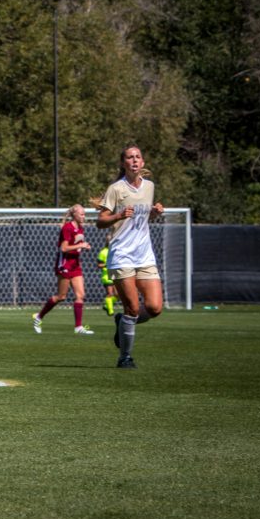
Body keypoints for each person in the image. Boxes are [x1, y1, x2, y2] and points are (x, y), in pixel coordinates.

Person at [96, 143, 165, 369]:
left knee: (154, 308)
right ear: (122, 163)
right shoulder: (116, 189)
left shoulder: (149, 187)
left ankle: (121, 322)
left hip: (144, 255)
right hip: (122, 255)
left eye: (137, 157)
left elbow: (145, 220)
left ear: (142, 162)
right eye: (129, 157)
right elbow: (100, 221)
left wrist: (154, 213)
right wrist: (117, 215)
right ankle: (125, 357)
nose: (134, 160)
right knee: (133, 309)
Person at [32, 204, 93, 335]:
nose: (84, 216)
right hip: (64, 265)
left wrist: (83, 246)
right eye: (81, 214)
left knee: (80, 295)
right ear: (74, 215)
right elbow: (64, 248)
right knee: (61, 296)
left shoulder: (80, 228)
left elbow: (76, 245)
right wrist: (81, 244)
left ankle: (78, 327)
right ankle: (39, 317)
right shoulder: (67, 228)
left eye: (84, 214)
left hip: (75, 265)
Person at [95, 236, 117, 316]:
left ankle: (106, 304)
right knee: (110, 293)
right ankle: (110, 311)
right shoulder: (103, 252)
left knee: (118, 294)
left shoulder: (115, 250)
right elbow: (99, 264)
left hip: (114, 273)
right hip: (106, 274)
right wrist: (106, 264)